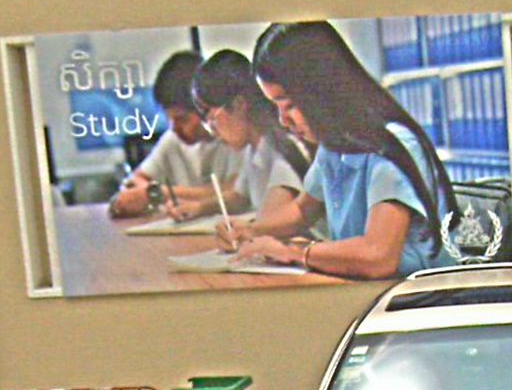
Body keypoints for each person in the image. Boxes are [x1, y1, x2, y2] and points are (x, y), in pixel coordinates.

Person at [217, 21, 460, 279]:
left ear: (321, 92)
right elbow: (302, 211)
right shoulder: (335, 143)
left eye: (289, 105)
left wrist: (295, 253)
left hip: (415, 293)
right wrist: (250, 230)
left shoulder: (392, 144)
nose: (283, 121)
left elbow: (378, 256)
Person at [167, 49, 312, 222]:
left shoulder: (281, 150)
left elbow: (272, 219)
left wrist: (246, 229)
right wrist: (199, 207)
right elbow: (240, 197)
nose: (211, 130)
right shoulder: (255, 148)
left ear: (238, 104)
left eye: (210, 116)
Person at [110, 51, 242, 218]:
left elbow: (237, 191)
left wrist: (159, 193)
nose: (175, 128)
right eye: (169, 119)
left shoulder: (236, 137)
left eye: (182, 119)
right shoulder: (172, 140)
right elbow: (136, 180)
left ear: (206, 108)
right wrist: (145, 193)